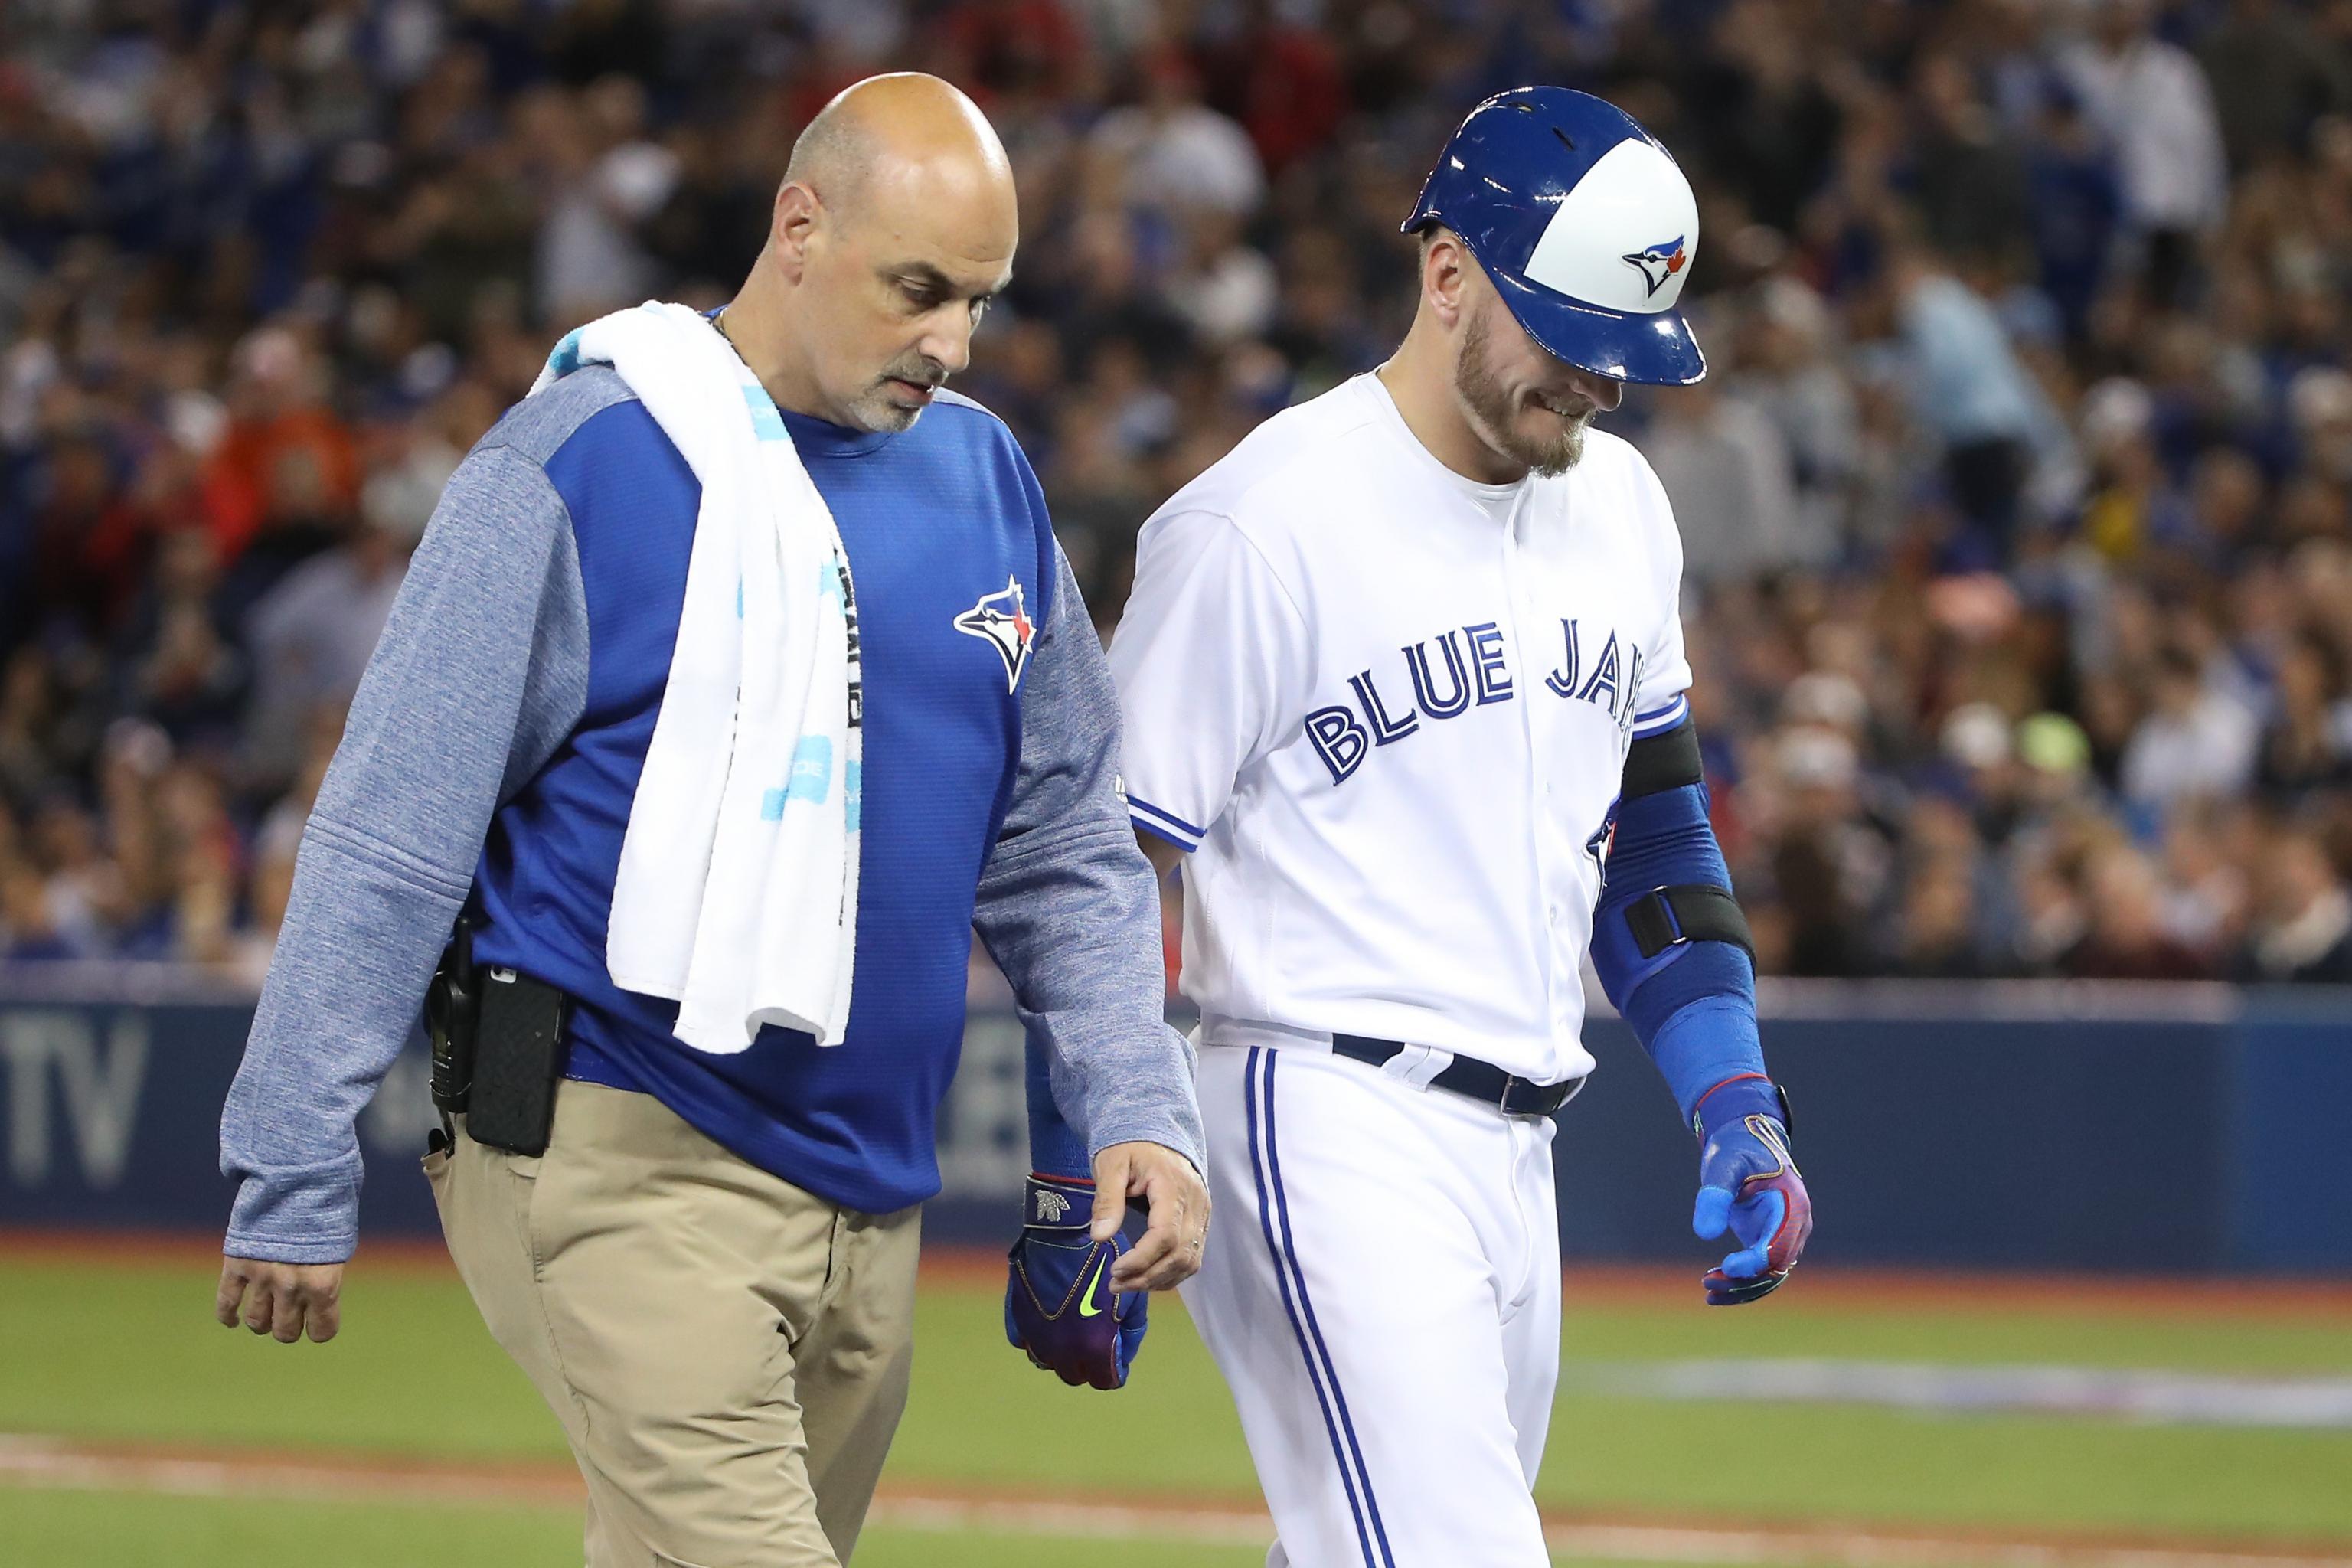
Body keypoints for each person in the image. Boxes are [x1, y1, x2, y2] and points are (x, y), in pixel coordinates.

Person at [214, 73, 1207, 1568]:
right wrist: (291, 1156)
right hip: (621, 1153)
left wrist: (1136, 1101)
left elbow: (1063, 844)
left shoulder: (984, 475)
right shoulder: (584, 462)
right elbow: (388, 829)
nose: (950, 338)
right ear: (799, 226)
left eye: (980, 301)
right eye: (918, 287)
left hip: (873, 1187)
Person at [1101, 87, 1815, 1565]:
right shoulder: (1257, 525)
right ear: (1446, 273)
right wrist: (1092, 1143)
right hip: (1319, 1106)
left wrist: (1733, 1094)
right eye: (1573, 335)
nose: (1606, 383)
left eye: (1632, 350)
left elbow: (1659, 843)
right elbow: (1108, 865)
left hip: (1518, 1146)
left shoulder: (1621, 507)